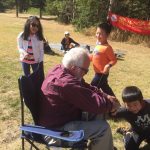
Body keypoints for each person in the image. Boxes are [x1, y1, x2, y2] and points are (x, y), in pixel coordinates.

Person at [39, 47, 120, 150]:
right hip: (56, 132)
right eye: (85, 71)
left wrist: (106, 96)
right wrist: (112, 105)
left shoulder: (60, 70)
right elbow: (96, 104)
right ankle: (103, 145)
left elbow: (85, 87)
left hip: (63, 120)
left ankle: (101, 146)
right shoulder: (66, 84)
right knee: (103, 129)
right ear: (73, 68)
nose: (85, 73)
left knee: (98, 113)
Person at [111, 86, 150, 150]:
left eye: (135, 104)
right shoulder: (124, 111)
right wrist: (111, 109)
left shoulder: (149, 105)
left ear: (141, 101)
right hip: (137, 133)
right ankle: (126, 133)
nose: (132, 108)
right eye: (129, 105)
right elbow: (111, 114)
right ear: (124, 104)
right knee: (130, 148)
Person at [90, 22, 117, 96]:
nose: (98, 36)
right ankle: (115, 103)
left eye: (101, 34)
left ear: (107, 35)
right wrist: (85, 57)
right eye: (97, 33)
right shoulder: (98, 45)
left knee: (91, 89)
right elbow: (93, 56)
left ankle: (89, 105)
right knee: (105, 88)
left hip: (101, 74)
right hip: (97, 72)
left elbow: (114, 60)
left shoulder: (107, 48)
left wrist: (108, 65)